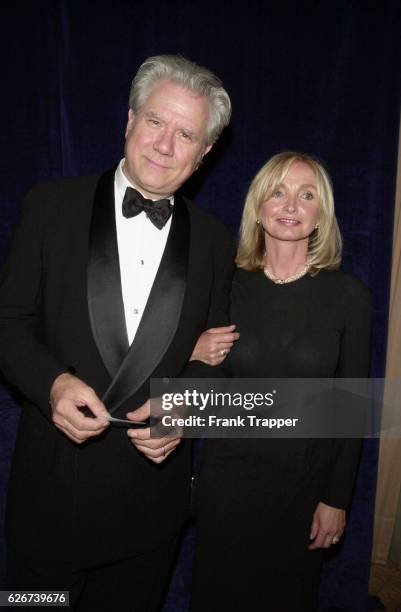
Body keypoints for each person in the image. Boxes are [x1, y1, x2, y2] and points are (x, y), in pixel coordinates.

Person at [0, 54, 235, 611]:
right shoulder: (50, 206)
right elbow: (7, 321)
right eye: (155, 121)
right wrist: (53, 382)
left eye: (186, 134)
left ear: (203, 154)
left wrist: (180, 410)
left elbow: (216, 355)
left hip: (150, 510)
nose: (164, 144)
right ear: (129, 120)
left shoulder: (214, 241)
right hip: (52, 498)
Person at [189, 151, 371, 611]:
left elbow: (350, 408)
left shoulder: (349, 296)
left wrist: (336, 498)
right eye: (278, 191)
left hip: (304, 491)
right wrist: (191, 354)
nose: (291, 205)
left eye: (306, 195)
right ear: (259, 207)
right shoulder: (224, 286)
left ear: (320, 215)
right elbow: (198, 392)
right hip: (227, 489)